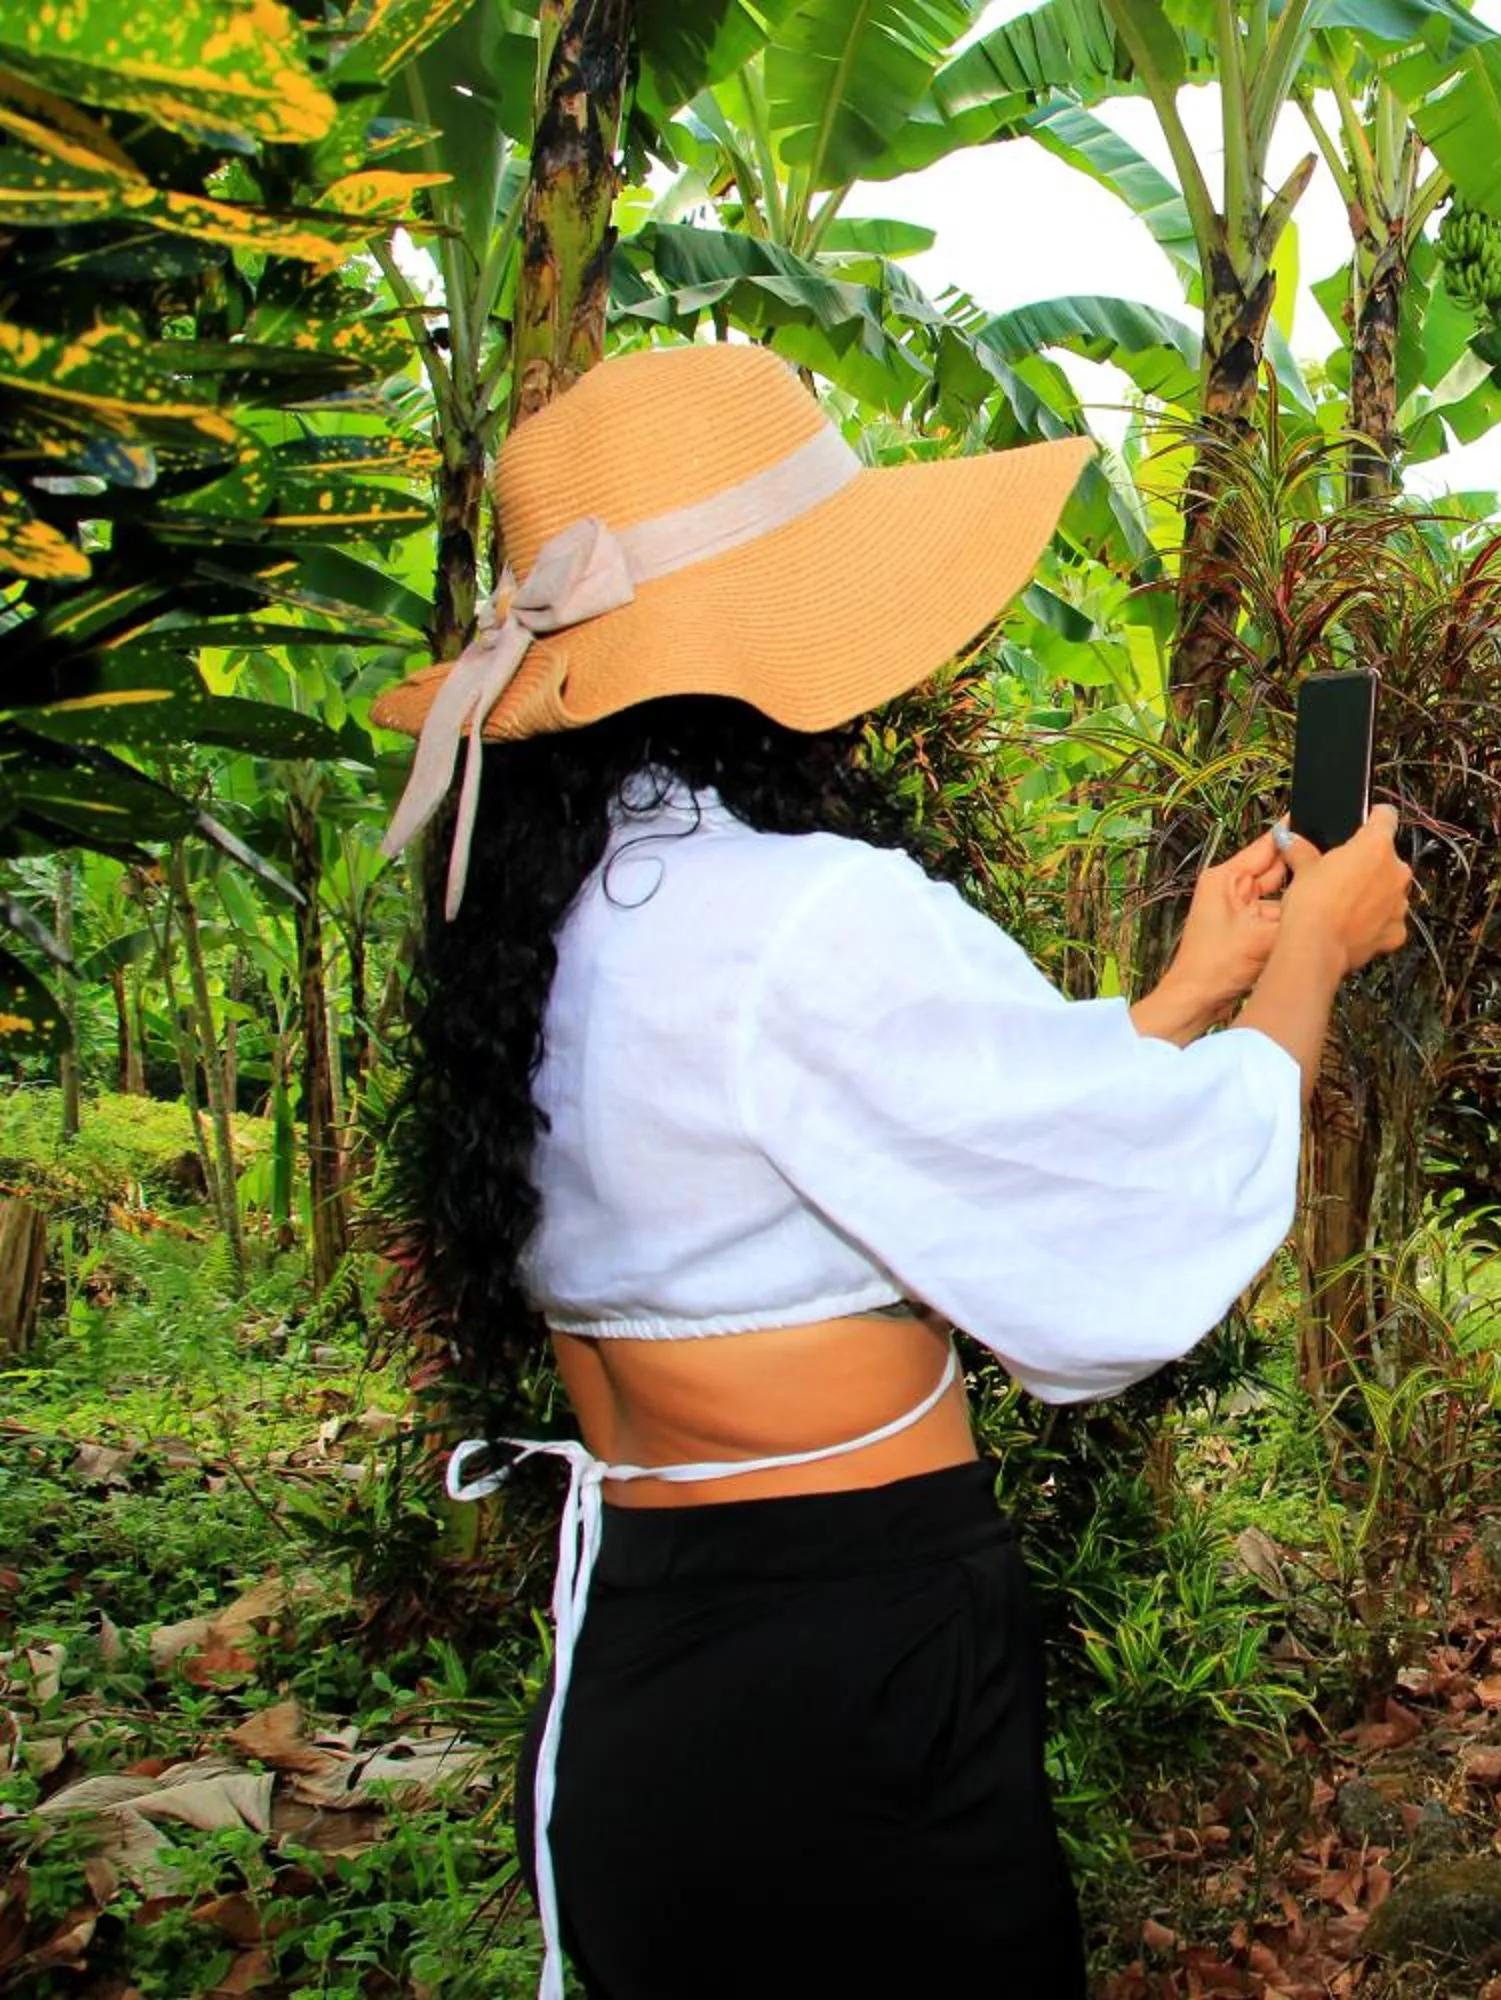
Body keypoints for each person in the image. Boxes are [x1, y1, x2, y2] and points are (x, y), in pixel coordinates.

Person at [375, 342, 1412, 1999]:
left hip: (653, 1660)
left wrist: (1182, 996)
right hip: (853, 1670)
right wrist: (1314, 965)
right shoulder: (803, 914)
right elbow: (1127, 1239)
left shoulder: (551, 920)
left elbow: (843, 1150)